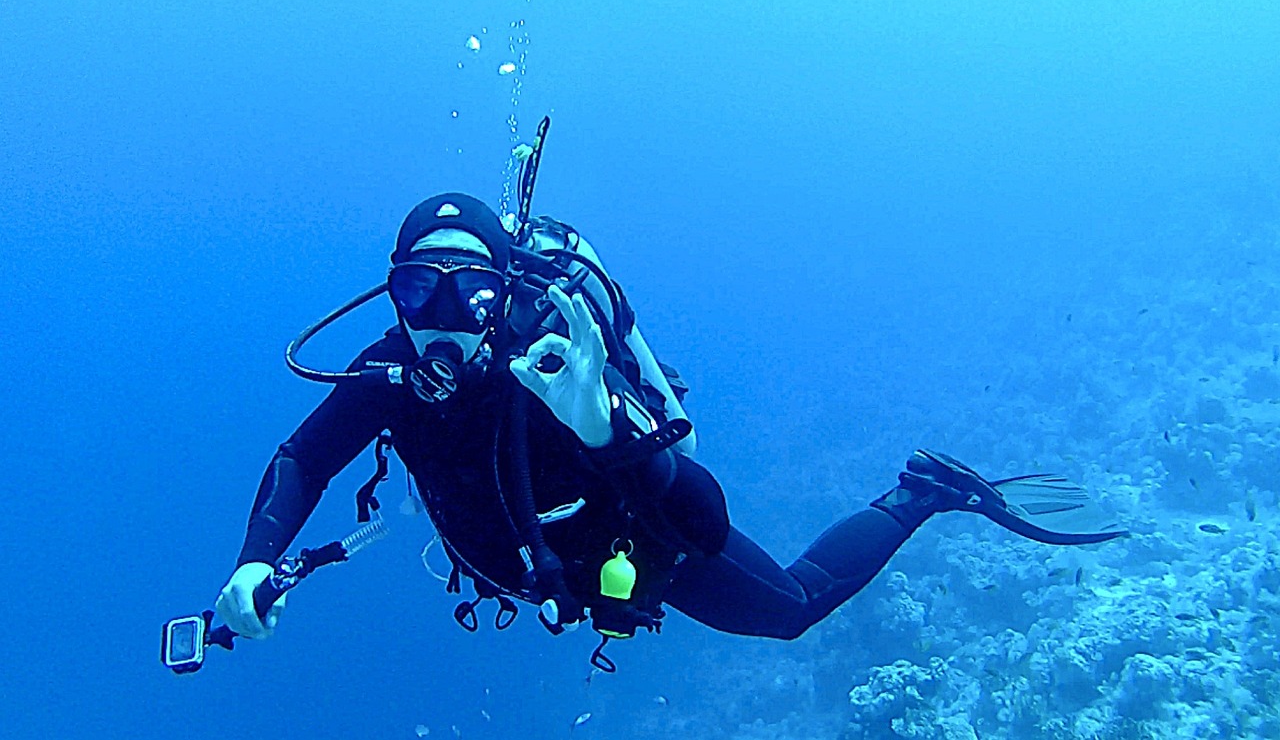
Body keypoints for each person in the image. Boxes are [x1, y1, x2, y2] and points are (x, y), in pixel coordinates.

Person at [216, 192, 1126, 664]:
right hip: (542, 572)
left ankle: (920, 490)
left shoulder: (556, 363)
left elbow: (704, 519)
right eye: (420, 289)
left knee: (790, 611)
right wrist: (256, 559)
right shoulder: (387, 375)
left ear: (506, 291)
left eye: (474, 291)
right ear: (393, 294)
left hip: (637, 544)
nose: (445, 319)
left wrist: (600, 425)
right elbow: (304, 457)